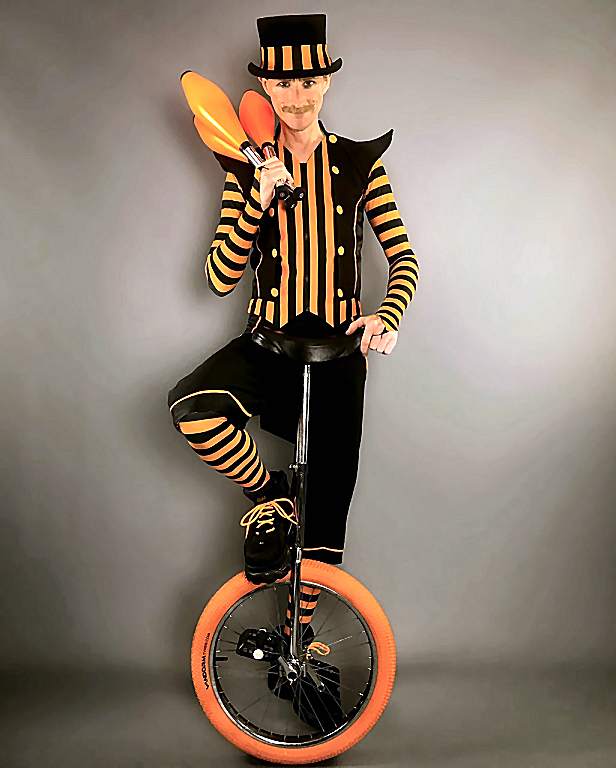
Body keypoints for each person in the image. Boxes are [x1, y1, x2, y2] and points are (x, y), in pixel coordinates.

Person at [167, 14, 419, 642]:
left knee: (323, 533)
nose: (297, 96)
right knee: (194, 408)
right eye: (283, 83)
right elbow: (219, 276)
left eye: (308, 81)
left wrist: (387, 315)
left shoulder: (360, 164)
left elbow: (403, 256)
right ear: (266, 89)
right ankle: (272, 495)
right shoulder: (243, 168)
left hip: (338, 361)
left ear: (326, 82)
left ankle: (296, 649)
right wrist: (256, 201)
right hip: (268, 349)